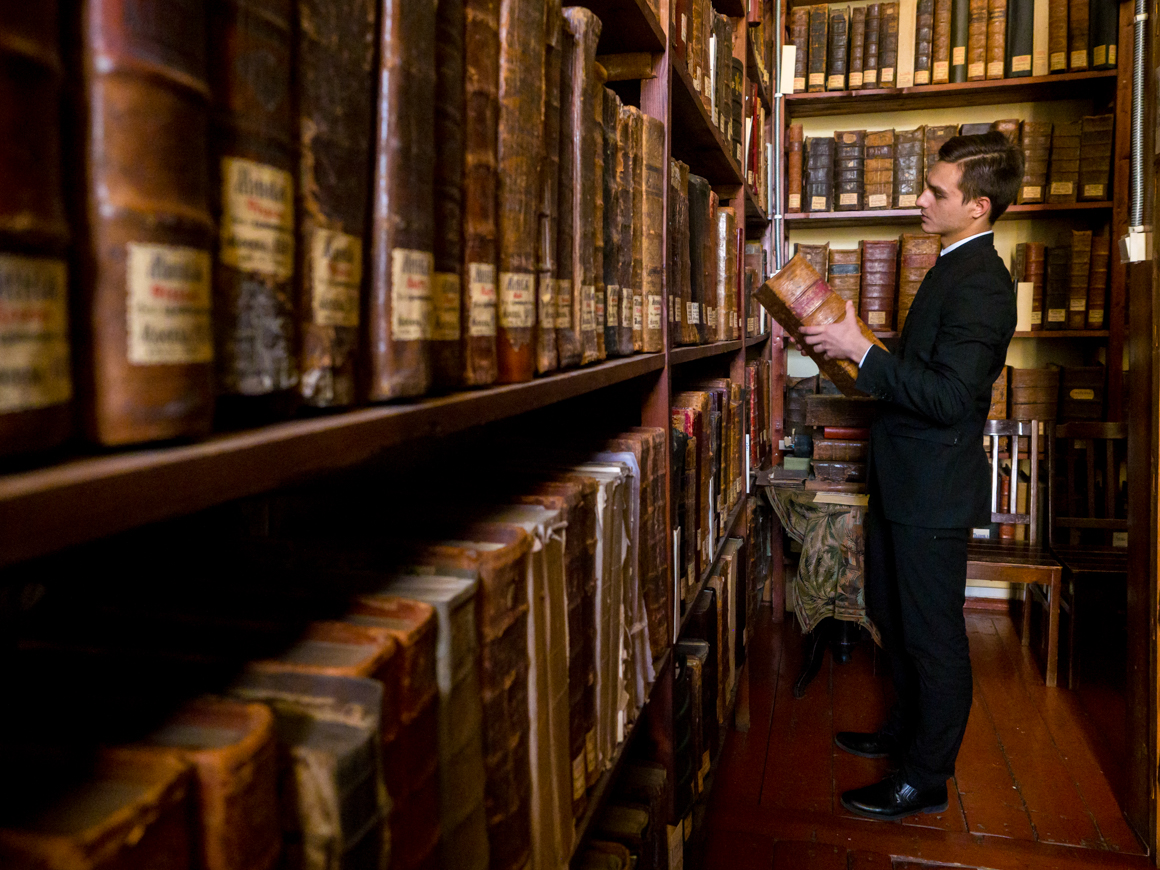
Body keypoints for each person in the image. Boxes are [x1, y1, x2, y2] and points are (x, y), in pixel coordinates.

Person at [798, 131, 1021, 821]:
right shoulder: (952, 265)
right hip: (903, 481)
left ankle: (924, 778)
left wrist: (863, 352)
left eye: (937, 192)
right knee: (893, 619)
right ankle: (902, 735)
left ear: (979, 207)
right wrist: (852, 343)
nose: (920, 198)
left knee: (932, 637)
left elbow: (951, 397)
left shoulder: (983, 283)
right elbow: (924, 367)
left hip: (932, 492)